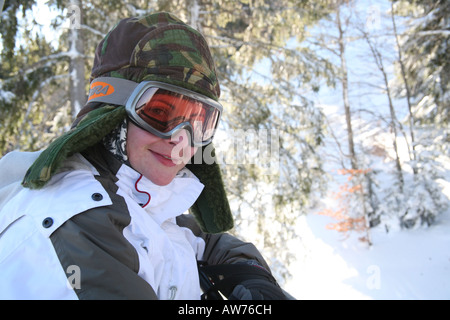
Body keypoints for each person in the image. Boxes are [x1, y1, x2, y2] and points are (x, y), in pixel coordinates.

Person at [0, 12, 288, 300]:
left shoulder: (139, 197)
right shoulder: (77, 224)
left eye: (198, 124)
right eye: (160, 112)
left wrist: (251, 273)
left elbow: (202, 241)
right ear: (112, 115)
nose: (180, 139)